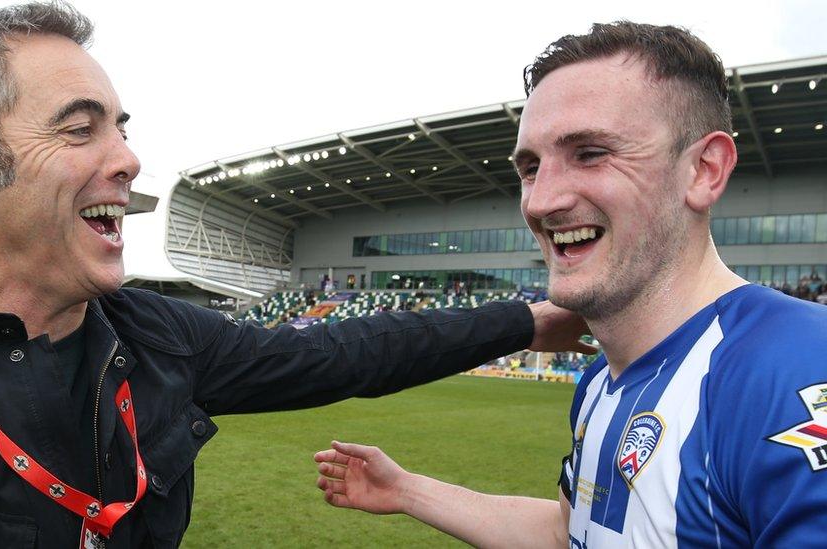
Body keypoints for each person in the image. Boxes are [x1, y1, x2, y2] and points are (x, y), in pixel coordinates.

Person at [0, 3, 592, 547]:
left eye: (121, 126)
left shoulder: (156, 334)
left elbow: (350, 351)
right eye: (80, 129)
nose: (128, 158)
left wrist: (528, 320)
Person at [314, 21, 827, 547]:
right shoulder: (600, 383)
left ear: (703, 169)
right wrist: (407, 491)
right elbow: (568, 532)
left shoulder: (796, 371)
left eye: (590, 153)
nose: (540, 202)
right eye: (531, 167)